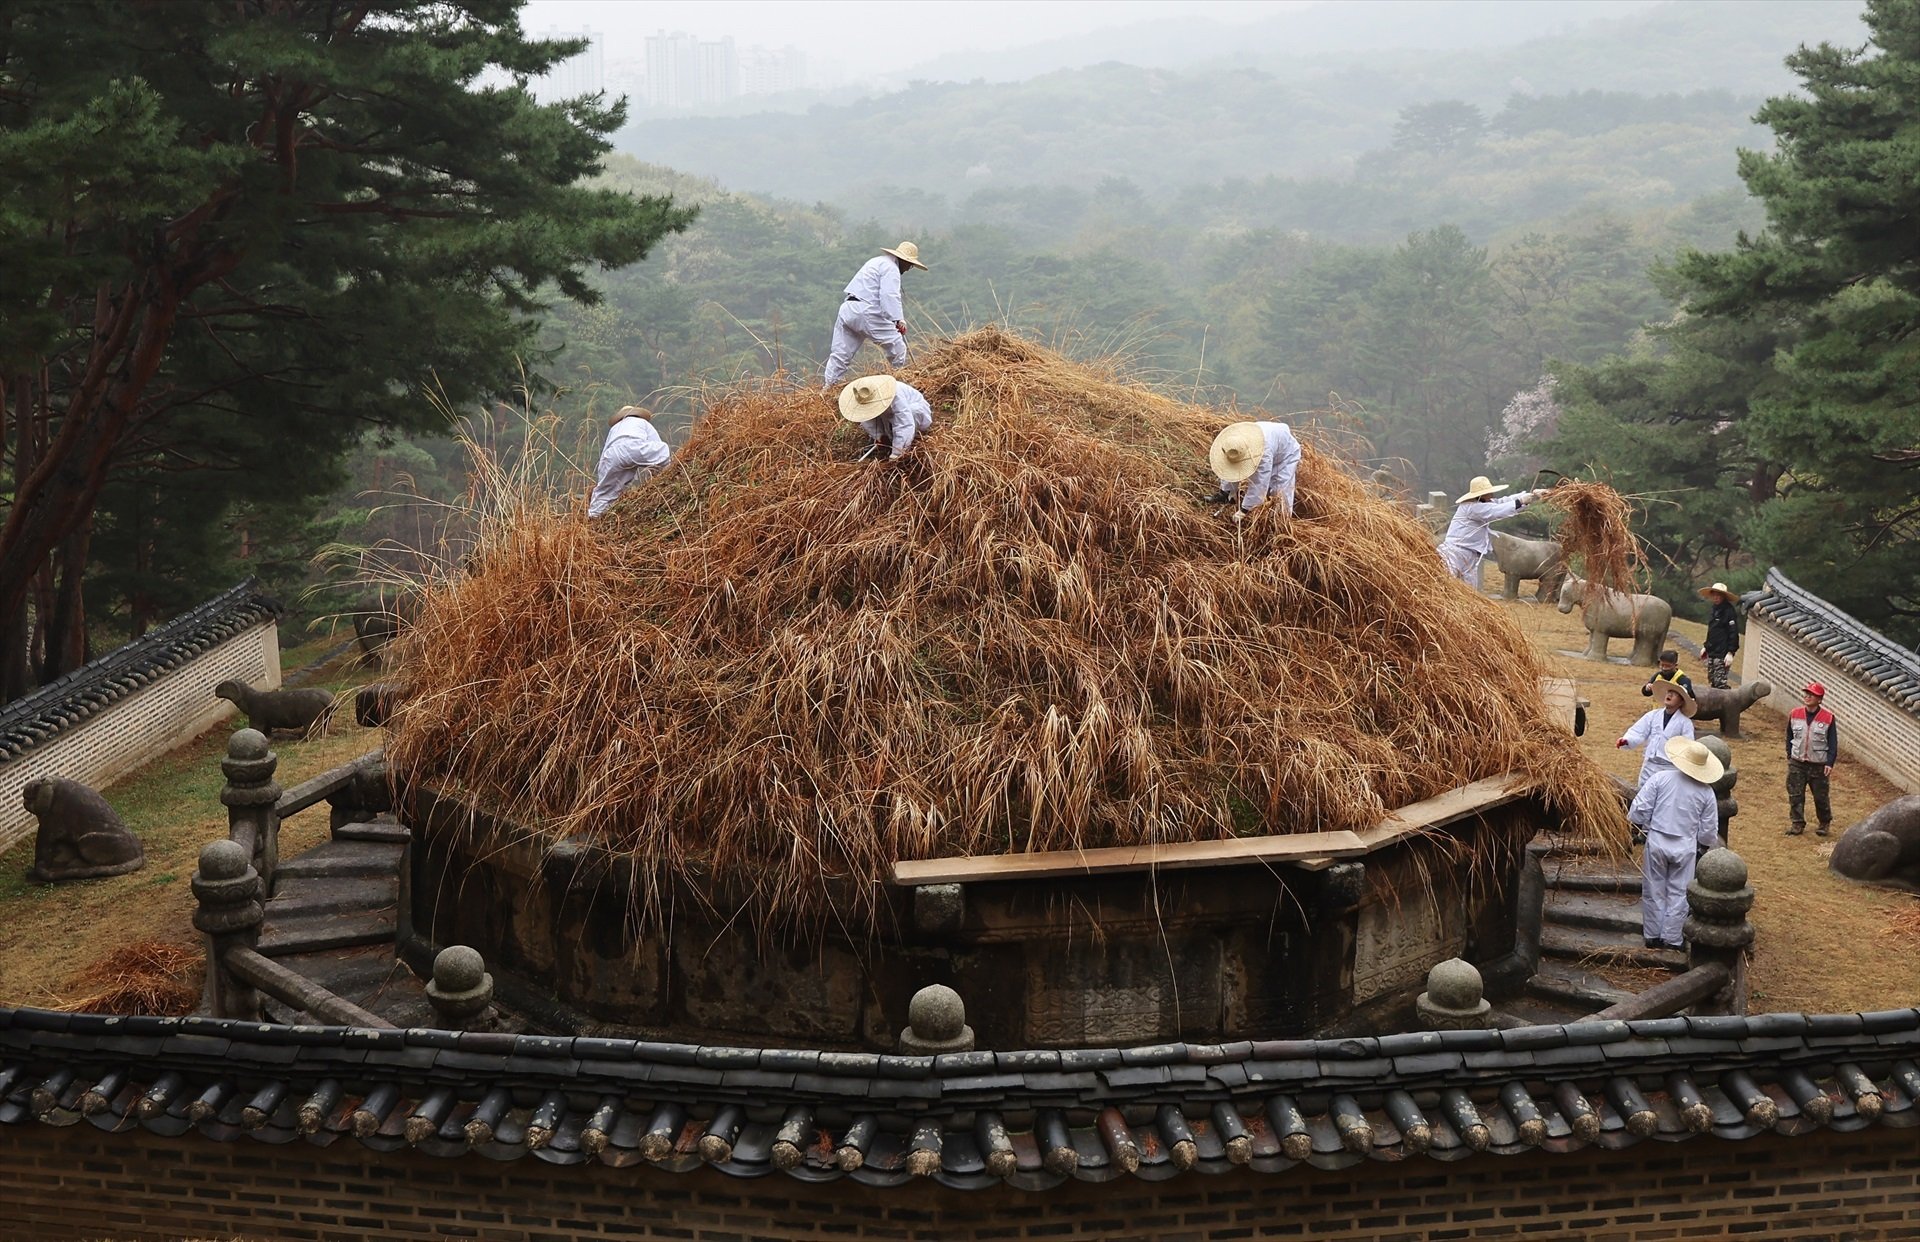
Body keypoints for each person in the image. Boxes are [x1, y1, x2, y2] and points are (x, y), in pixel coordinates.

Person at [1627, 736, 1723, 952]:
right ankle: (1672, 937)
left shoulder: (1660, 779)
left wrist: (1640, 825)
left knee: (1653, 888)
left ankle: (1652, 934)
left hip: (1657, 839)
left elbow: (1639, 809)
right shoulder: (1706, 792)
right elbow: (1709, 829)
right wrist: (1703, 845)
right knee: (1679, 892)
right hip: (1685, 844)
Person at [823, 242, 927, 387]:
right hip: (866, 312)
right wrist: (898, 320)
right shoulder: (891, 269)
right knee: (898, 347)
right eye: (909, 264)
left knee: (840, 355)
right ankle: (895, 383)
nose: (909, 268)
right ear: (903, 260)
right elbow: (889, 295)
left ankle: (828, 388)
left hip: (848, 309)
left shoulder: (877, 261)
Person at [1437, 476, 1548, 585]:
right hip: (1454, 553)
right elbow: (1496, 510)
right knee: (1445, 582)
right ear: (1481, 495)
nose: (1491, 494)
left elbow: (1503, 502)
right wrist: (1521, 501)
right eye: (1488, 492)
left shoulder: (1482, 503)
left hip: (1470, 554)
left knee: (1468, 588)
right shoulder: (1471, 507)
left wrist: (1532, 496)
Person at [1206, 421, 1301, 520]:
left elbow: (1259, 482)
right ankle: (1225, 495)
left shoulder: (1263, 453)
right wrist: (1228, 491)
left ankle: (1280, 519)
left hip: (1286, 454)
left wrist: (1245, 510)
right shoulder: (1235, 440)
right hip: (1272, 438)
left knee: (1280, 491)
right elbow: (1230, 465)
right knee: (1233, 463)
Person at [587, 407, 670, 518]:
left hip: (613, 454)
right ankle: (667, 481)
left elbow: (605, 454)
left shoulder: (614, 428)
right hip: (634, 447)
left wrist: (603, 478)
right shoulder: (643, 423)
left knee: (606, 492)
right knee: (663, 451)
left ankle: (594, 516)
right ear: (638, 414)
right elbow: (655, 444)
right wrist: (658, 472)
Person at [1617, 677, 1696, 787]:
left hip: (1670, 769)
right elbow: (1638, 731)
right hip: (1649, 765)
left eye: (1675, 694)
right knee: (1644, 793)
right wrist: (1626, 740)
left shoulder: (1685, 723)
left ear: (1681, 701)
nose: (1670, 695)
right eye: (1669, 692)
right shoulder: (1653, 715)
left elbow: (1688, 746)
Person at [1786, 680, 1839, 836]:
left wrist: (1829, 762)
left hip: (1818, 764)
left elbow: (1833, 742)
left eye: (1812, 695)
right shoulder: (1794, 714)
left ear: (1819, 700)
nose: (1807, 697)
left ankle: (1824, 823)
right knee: (1795, 794)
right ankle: (1797, 823)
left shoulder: (1828, 718)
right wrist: (1790, 755)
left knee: (1820, 797)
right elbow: (1789, 736)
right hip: (1797, 762)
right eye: (1806, 694)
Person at [839, 373, 932, 461]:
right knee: (874, 418)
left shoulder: (895, 394)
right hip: (890, 417)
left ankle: (908, 441)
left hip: (915, 413)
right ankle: (892, 438)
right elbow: (865, 419)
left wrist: (897, 453)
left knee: (913, 412)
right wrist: (879, 436)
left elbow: (905, 423)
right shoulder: (864, 398)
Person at [1700, 582, 1741, 689]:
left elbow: (1733, 632)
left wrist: (1731, 652)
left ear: (1723, 596)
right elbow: (1712, 631)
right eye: (1714, 595)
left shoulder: (1729, 611)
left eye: (1718, 595)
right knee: (1712, 679)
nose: (1716, 598)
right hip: (1712, 650)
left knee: (1720, 683)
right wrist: (1706, 646)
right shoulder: (1714, 609)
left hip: (1722, 652)